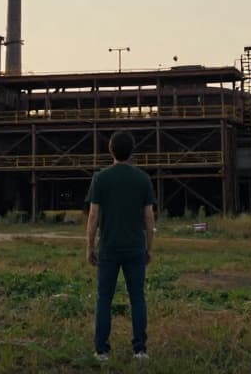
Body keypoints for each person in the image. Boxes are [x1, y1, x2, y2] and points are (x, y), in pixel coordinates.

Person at [84, 130, 156, 362]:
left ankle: (102, 351)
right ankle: (140, 350)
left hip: (109, 248)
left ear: (110, 150)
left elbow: (93, 215)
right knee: (138, 298)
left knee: (104, 299)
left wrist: (90, 247)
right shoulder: (143, 179)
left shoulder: (100, 178)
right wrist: (149, 247)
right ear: (132, 151)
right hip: (135, 248)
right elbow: (149, 217)